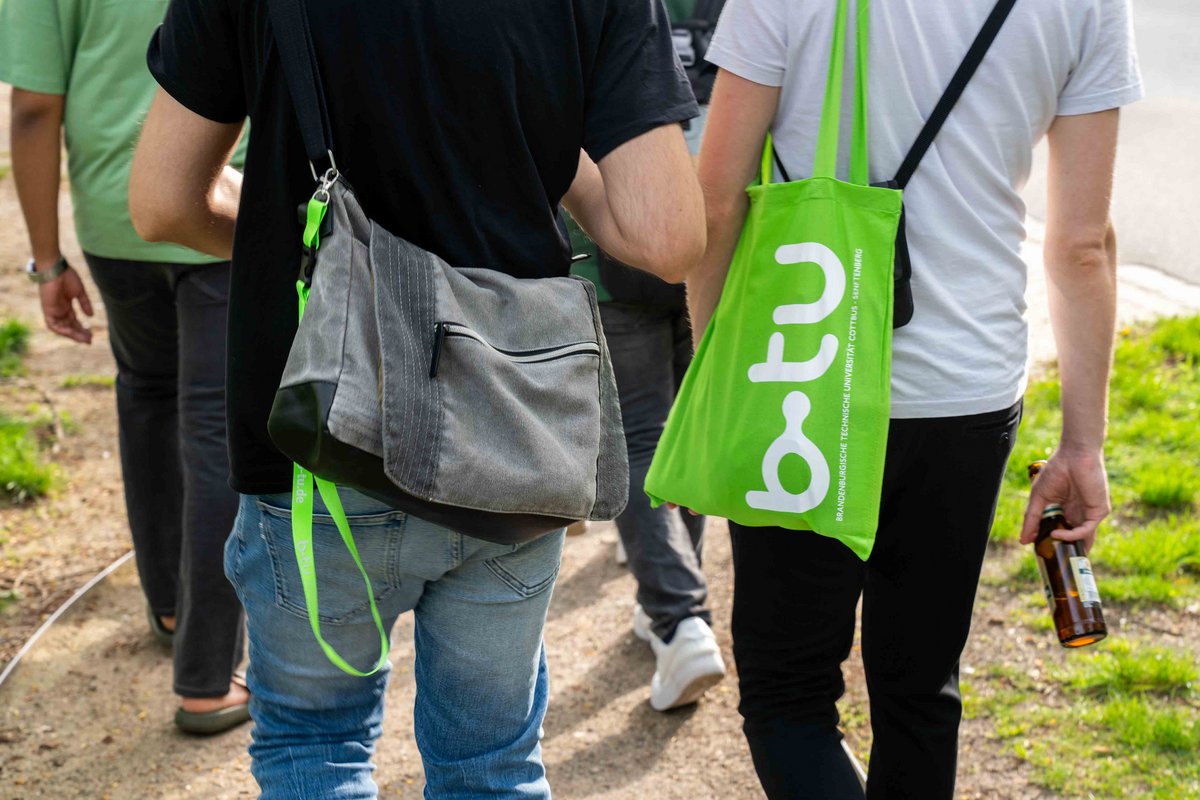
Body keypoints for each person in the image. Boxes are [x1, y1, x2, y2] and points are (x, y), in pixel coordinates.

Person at [129, 0, 705, 795]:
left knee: (314, 747)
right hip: (509, 425)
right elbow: (667, 236)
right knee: (491, 764)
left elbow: (162, 203)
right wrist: (536, 135)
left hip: (319, 427)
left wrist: (322, 252)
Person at [690, 1, 1140, 797]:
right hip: (969, 387)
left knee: (788, 692)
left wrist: (716, 375)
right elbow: (1081, 245)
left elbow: (717, 200)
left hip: (801, 374)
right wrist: (1082, 444)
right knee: (921, 690)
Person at [0, 0, 249, 734]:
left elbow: (34, 110)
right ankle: (206, 679)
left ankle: (172, 608)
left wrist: (47, 261)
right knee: (216, 427)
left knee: (146, 394)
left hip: (115, 209)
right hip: (221, 199)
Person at [567, 0, 728, 712]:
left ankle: (678, 610)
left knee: (639, 430)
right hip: (717, 230)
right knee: (692, 421)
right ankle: (676, 593)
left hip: (621, 225)